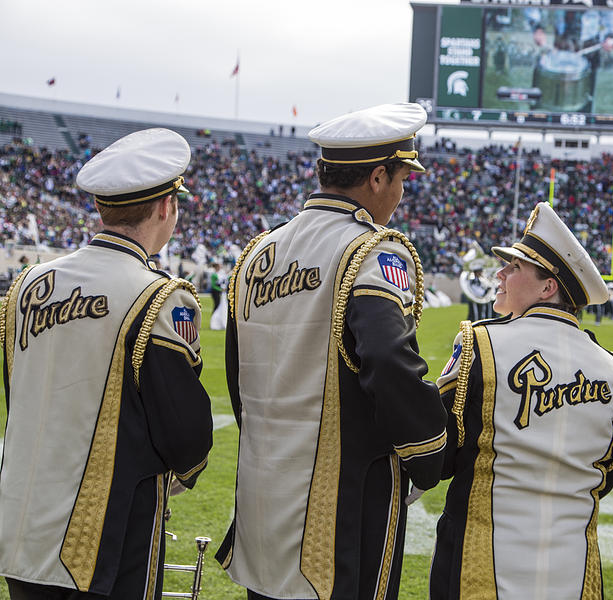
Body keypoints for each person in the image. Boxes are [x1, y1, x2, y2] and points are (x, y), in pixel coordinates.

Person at [216, 103, 447, 600]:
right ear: (378, 177)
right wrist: (429, 452)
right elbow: (388, 362)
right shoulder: (374, 251)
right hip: (338, 512)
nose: (403, 194)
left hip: (261, 498)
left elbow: (239, 381)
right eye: (402, 178)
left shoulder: (258, 253)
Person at [0, 128, 213, 599]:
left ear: (100, 207)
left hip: (20, 529)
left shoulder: (27, 286)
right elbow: (187, 436)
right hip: (105, 539)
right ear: (165, 207)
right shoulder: (160, 297)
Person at [430, 202, 613, 599]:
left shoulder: (480, 344)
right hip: (574, 569)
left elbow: (439, 456)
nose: (500, 273)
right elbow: (606, 476)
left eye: (514, 267)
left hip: (481, 563)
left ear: (548, 287)